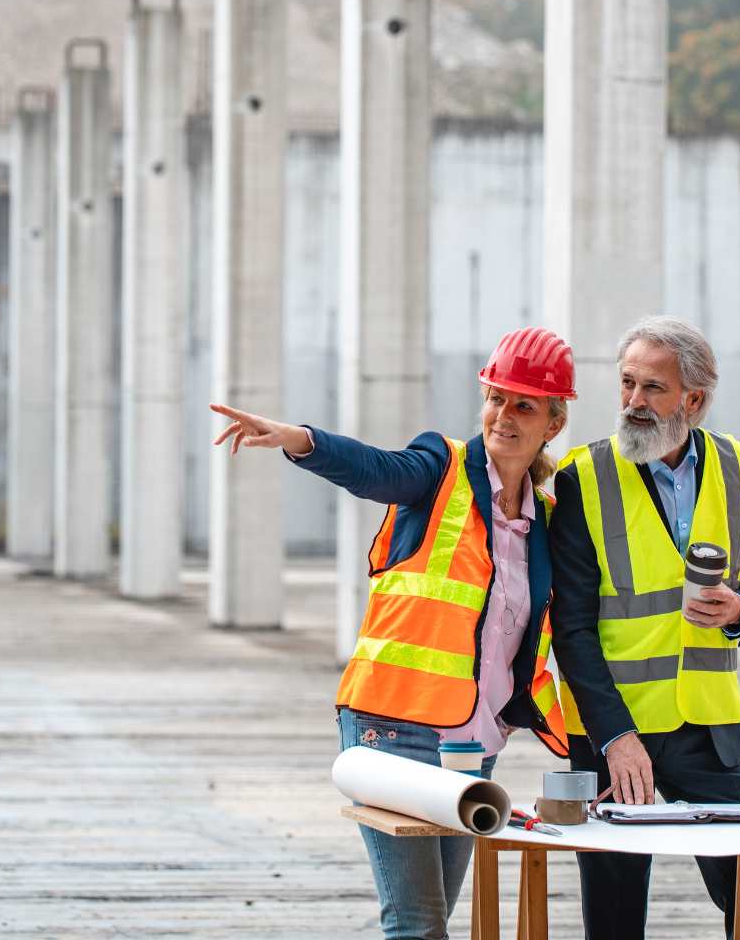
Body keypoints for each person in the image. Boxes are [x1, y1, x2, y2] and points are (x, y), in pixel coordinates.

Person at [210, 325, 577, 940]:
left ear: (553, 423)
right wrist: (302, 441)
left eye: (524, 405)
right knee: (417, 923)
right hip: (393, 726)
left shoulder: (546, 518)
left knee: (436, 916)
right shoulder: (440, 470)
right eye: (494, 398)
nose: (503, 416)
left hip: (474, 743)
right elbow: (377, 470)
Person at [549, 315, 740, 940]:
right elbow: (570, 630)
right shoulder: (583, 478)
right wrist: (614, 737)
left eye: (652, 388)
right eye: (627, 382)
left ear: (694, 400)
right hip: (614, 732)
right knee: (615, 914)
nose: (633, 401)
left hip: (706, 728)